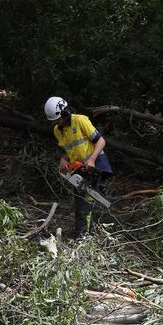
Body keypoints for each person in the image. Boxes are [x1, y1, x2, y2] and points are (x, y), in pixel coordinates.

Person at [44, 96, 114, 238]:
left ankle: (83, 237)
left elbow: (101, 141)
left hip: (96, 164)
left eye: (57, 120)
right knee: (79, 203)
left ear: (64, 113)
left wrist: (92, 160)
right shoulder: (58, 131)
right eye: (54, 121)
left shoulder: (80, 120)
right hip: (79, 169)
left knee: (86, 204)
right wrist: (63, 160)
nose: (56, 123)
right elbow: (69, 151)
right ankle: (88, 233)